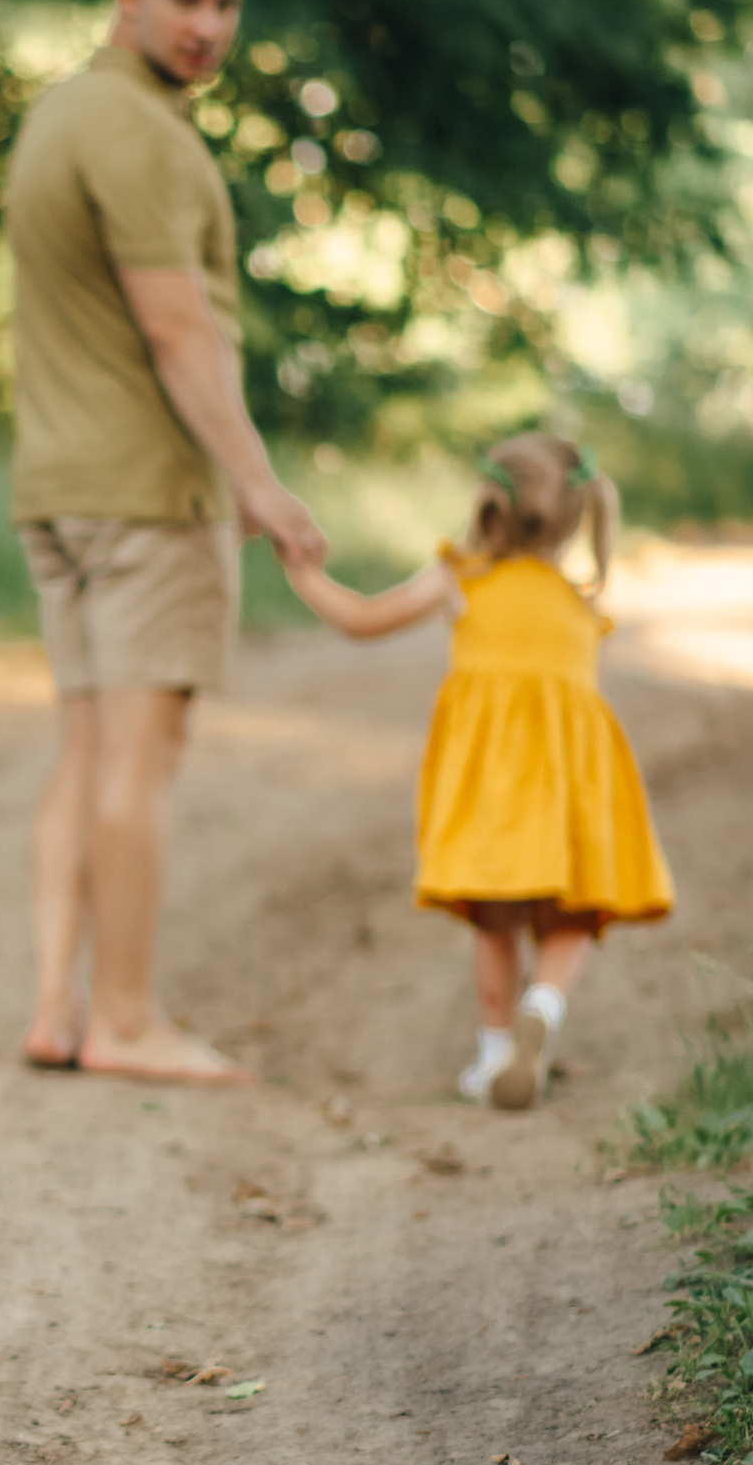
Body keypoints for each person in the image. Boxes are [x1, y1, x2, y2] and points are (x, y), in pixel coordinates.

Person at [5, 0, 327, 1084]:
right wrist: (261, 486)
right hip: (144, 497)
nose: (206, 24)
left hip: (59, 490)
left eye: (226, 3)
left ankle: (57, 1005)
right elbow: (180, 335)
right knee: (138, 765)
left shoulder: (59, 116)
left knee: (87, 757)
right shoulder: (142, 135)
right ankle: (126, 1021)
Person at [280, 431, 673, 1105]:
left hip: (492, 778)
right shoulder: (581, 595)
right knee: (573, 910)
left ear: (489, 504)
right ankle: (543, 1006)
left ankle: (495, 1052)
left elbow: (363, 620)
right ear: (576, 515)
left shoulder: (463, 577)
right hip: (572, 777)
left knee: (494, 914)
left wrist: (301, 572)